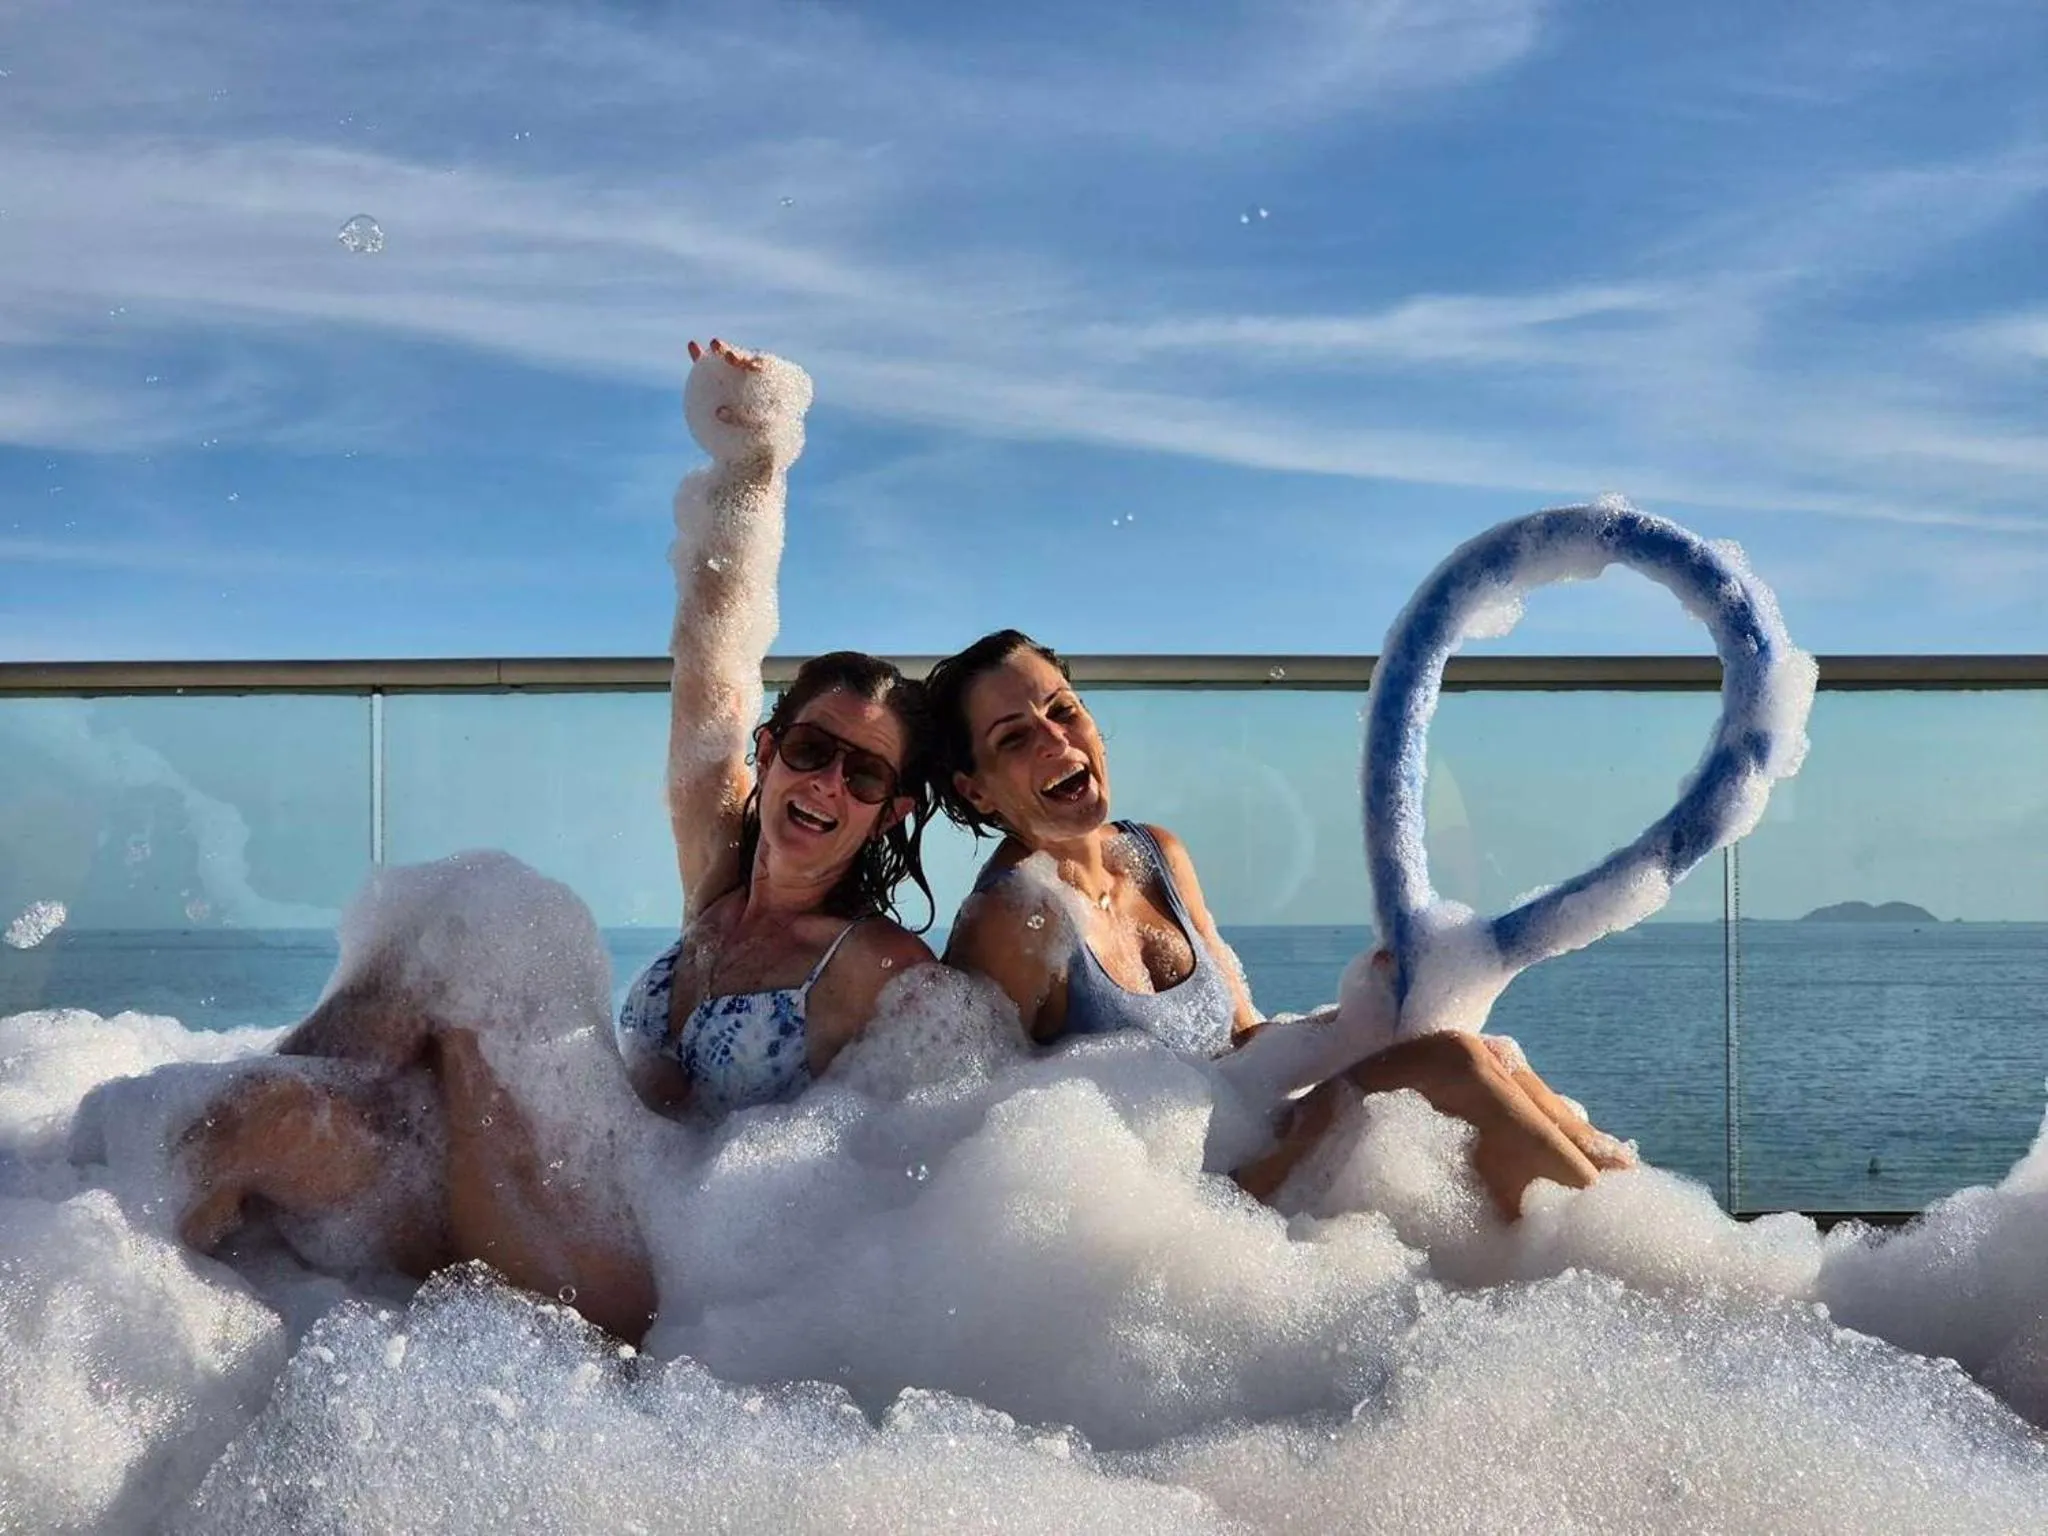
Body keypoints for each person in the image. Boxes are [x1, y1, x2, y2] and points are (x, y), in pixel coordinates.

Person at [171, 340, 936, 1341]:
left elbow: (918, 1178)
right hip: (554, 1187)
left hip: (658, 1273)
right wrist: (749, 465)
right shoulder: (718, 882)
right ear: (771, 749)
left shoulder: (876, 966)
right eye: (808, 748)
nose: (825, 782)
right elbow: (712, 661)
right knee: (253, 1120)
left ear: (893, 811)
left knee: (486, 919)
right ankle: (96, 1293)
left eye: (864, 773)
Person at [923, 628, 1633, 1219]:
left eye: (1063, 710)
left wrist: (1368, 1012)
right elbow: (990, 1145)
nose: (1054, 740)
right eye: (1014, 739)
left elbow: (1243, 1040)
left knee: (1488, 1054)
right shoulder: (1011, 917)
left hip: (1246, 1142)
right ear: (975, 790)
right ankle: (1629, 1292)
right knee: (1452, 1064)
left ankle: (1642, 1244)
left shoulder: (1155, 855)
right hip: (1166, 1216)